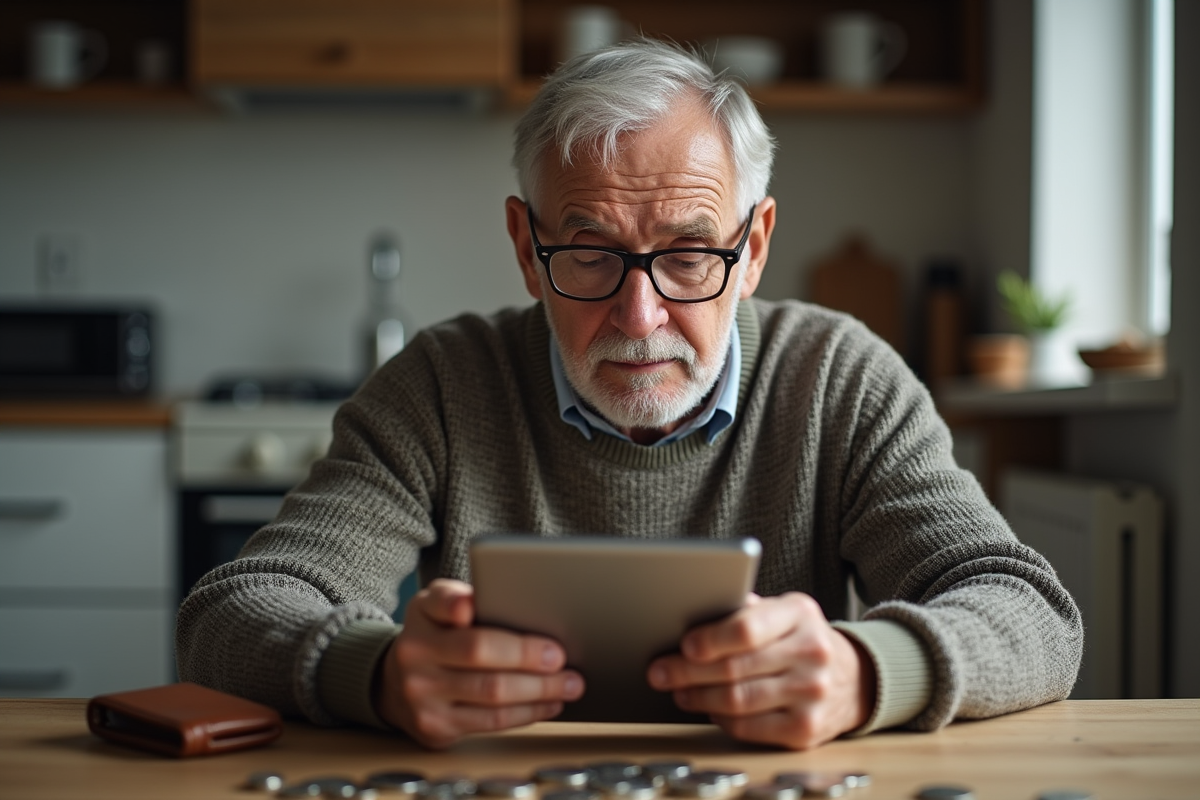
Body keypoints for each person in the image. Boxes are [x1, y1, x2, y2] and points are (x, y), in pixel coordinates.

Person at [176, 39, 1082, 752]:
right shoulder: (442, 384)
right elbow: (232, 610)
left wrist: (866, 669)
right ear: (527, 249)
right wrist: (373, 673)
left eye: (688, 255)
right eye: (589, 255)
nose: (639, 316)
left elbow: (1030, 611)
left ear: (753, 249)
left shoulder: (842, 379)